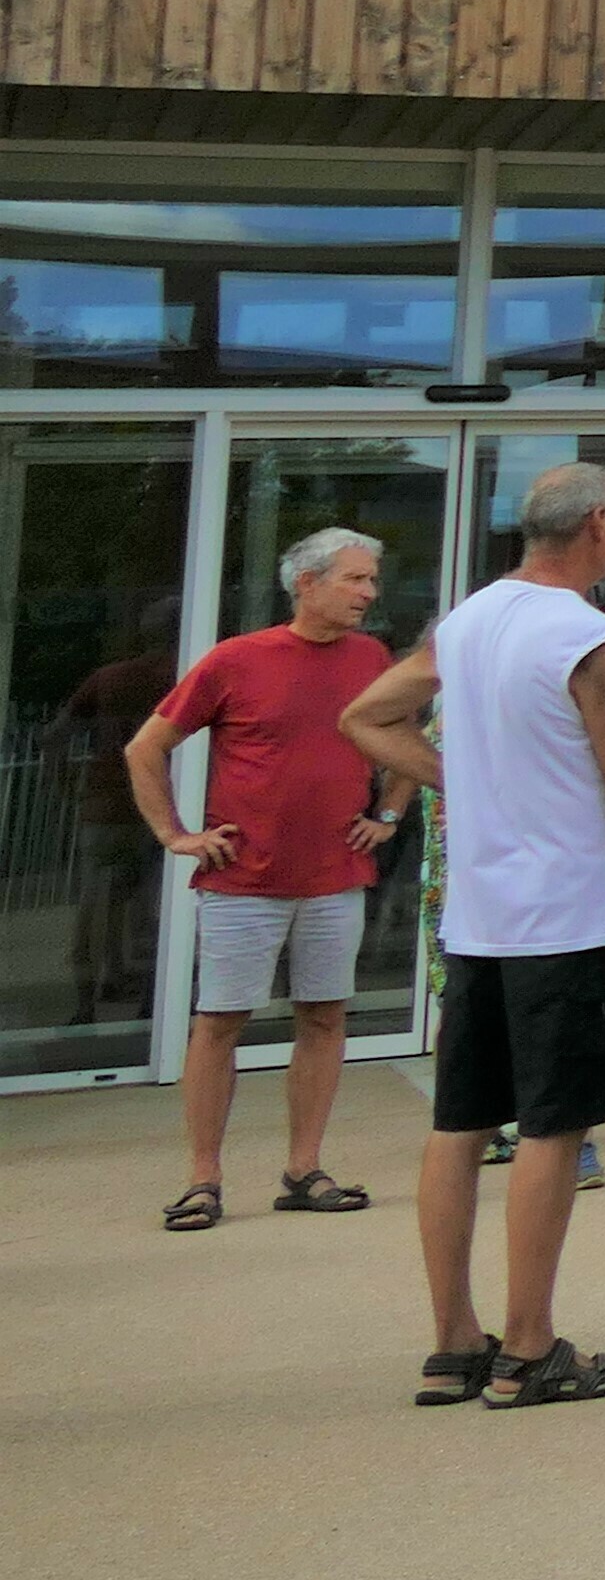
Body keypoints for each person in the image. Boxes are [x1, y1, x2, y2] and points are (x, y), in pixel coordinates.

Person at [337, 459, 605, 1411]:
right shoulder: (590, 633)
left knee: (460, 1124)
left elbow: (365, 716)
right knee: (554, 1128)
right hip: (567, 913)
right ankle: (529, 1348)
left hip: (479, 917)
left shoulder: (472, 616)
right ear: (602, 525)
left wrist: (461, 779)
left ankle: (453, 1342)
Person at [122, 526, 414, 1232]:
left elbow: (407, 736)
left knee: (324, 1016)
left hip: (334, 875)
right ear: (306, 583)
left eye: (371, 579)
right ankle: (203, 1178)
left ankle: (304, 1169)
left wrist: (390, 812)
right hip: (242, 879)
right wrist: (175, 835)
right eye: (355, 579)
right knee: (221, 1022)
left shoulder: (373, 657)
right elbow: (146, 747)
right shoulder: (235, 660)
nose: (369, 593)